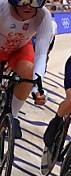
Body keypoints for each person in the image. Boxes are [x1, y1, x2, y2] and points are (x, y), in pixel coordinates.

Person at [1, 0, 53, 139]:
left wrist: (37, 86)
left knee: (29, 72)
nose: (29, 5)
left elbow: (41, 54)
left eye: (36, 1)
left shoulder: (44, 16)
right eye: (23, 0)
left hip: (20, 49)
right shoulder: (2, 7)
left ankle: (13, 114)